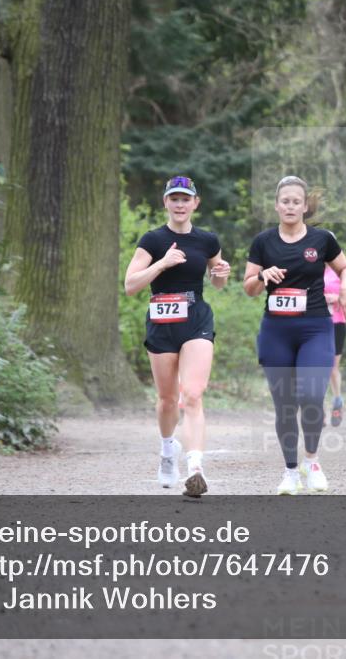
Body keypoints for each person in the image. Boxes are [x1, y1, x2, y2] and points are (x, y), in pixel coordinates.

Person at [244, 175, 346, 495]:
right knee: (284, 404)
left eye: (297, 201)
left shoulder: (322, 239)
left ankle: (312, 462)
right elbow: (249, 288)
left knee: (311, 396)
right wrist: (263, 275)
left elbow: (345, 268)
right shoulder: (263, 241)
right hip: (276, 330)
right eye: (285, 201)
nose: (291, 206)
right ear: (276, 205)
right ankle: (290, 472)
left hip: (315, 328)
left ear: (305, 206)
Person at [124, 176, 230, 497]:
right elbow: (130, 285)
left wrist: (221, 275)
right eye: (175, 199)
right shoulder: (153, 240)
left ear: (196, 203)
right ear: (166, 202)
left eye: (186, 199)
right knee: (168, 399)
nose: (180, 204)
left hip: (196, 319)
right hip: (162, 321)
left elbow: (217, 280)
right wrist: (161, 264)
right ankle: (168, 450)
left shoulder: (207, 240)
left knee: (193, 394)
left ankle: (195, 469)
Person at [323, 265, 346, 427]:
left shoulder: (343, 272)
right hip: (316, 323)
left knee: (332, 368)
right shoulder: (312, 268)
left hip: (337, 323)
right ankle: (318, 409)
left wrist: (337, 298)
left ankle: (337, 402)